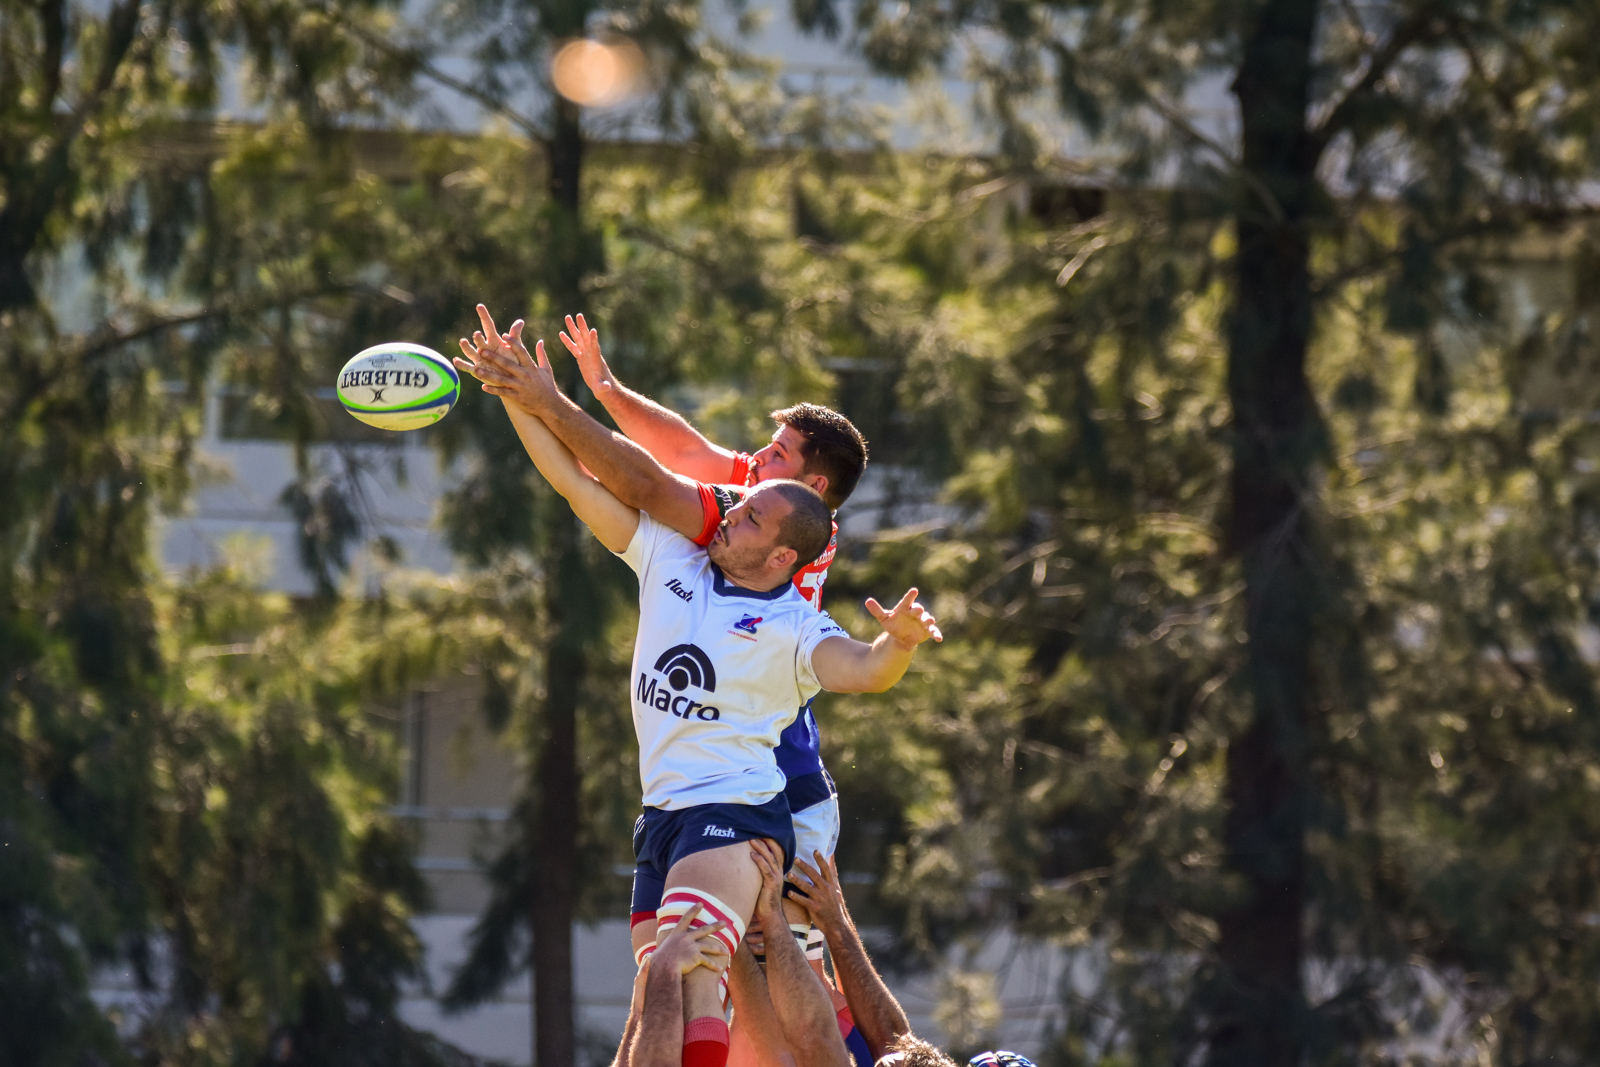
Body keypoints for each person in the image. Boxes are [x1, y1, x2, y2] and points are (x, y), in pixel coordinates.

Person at [455, 308, 942, 1067]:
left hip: (761, 802)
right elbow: (584, 477)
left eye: (756, 493)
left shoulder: (790, 612)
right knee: (679, 989)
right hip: (668, 813)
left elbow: (864, 669)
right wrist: (518, 389)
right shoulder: (683, 558)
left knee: (710, 970)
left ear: (784, 546)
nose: (737, 492)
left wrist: (896, 643)